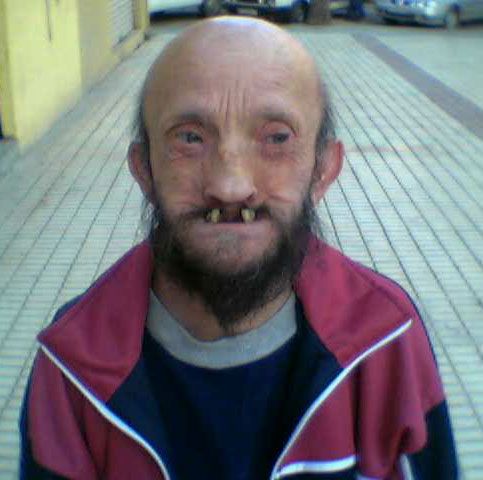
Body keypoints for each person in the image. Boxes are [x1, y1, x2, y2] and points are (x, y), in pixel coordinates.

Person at [19, 16, 458, 480]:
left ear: (324, 169)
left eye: (276, 138)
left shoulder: (385, 341)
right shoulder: (71, 366)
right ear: (144, 169)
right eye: (190, 137)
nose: (231, 186)